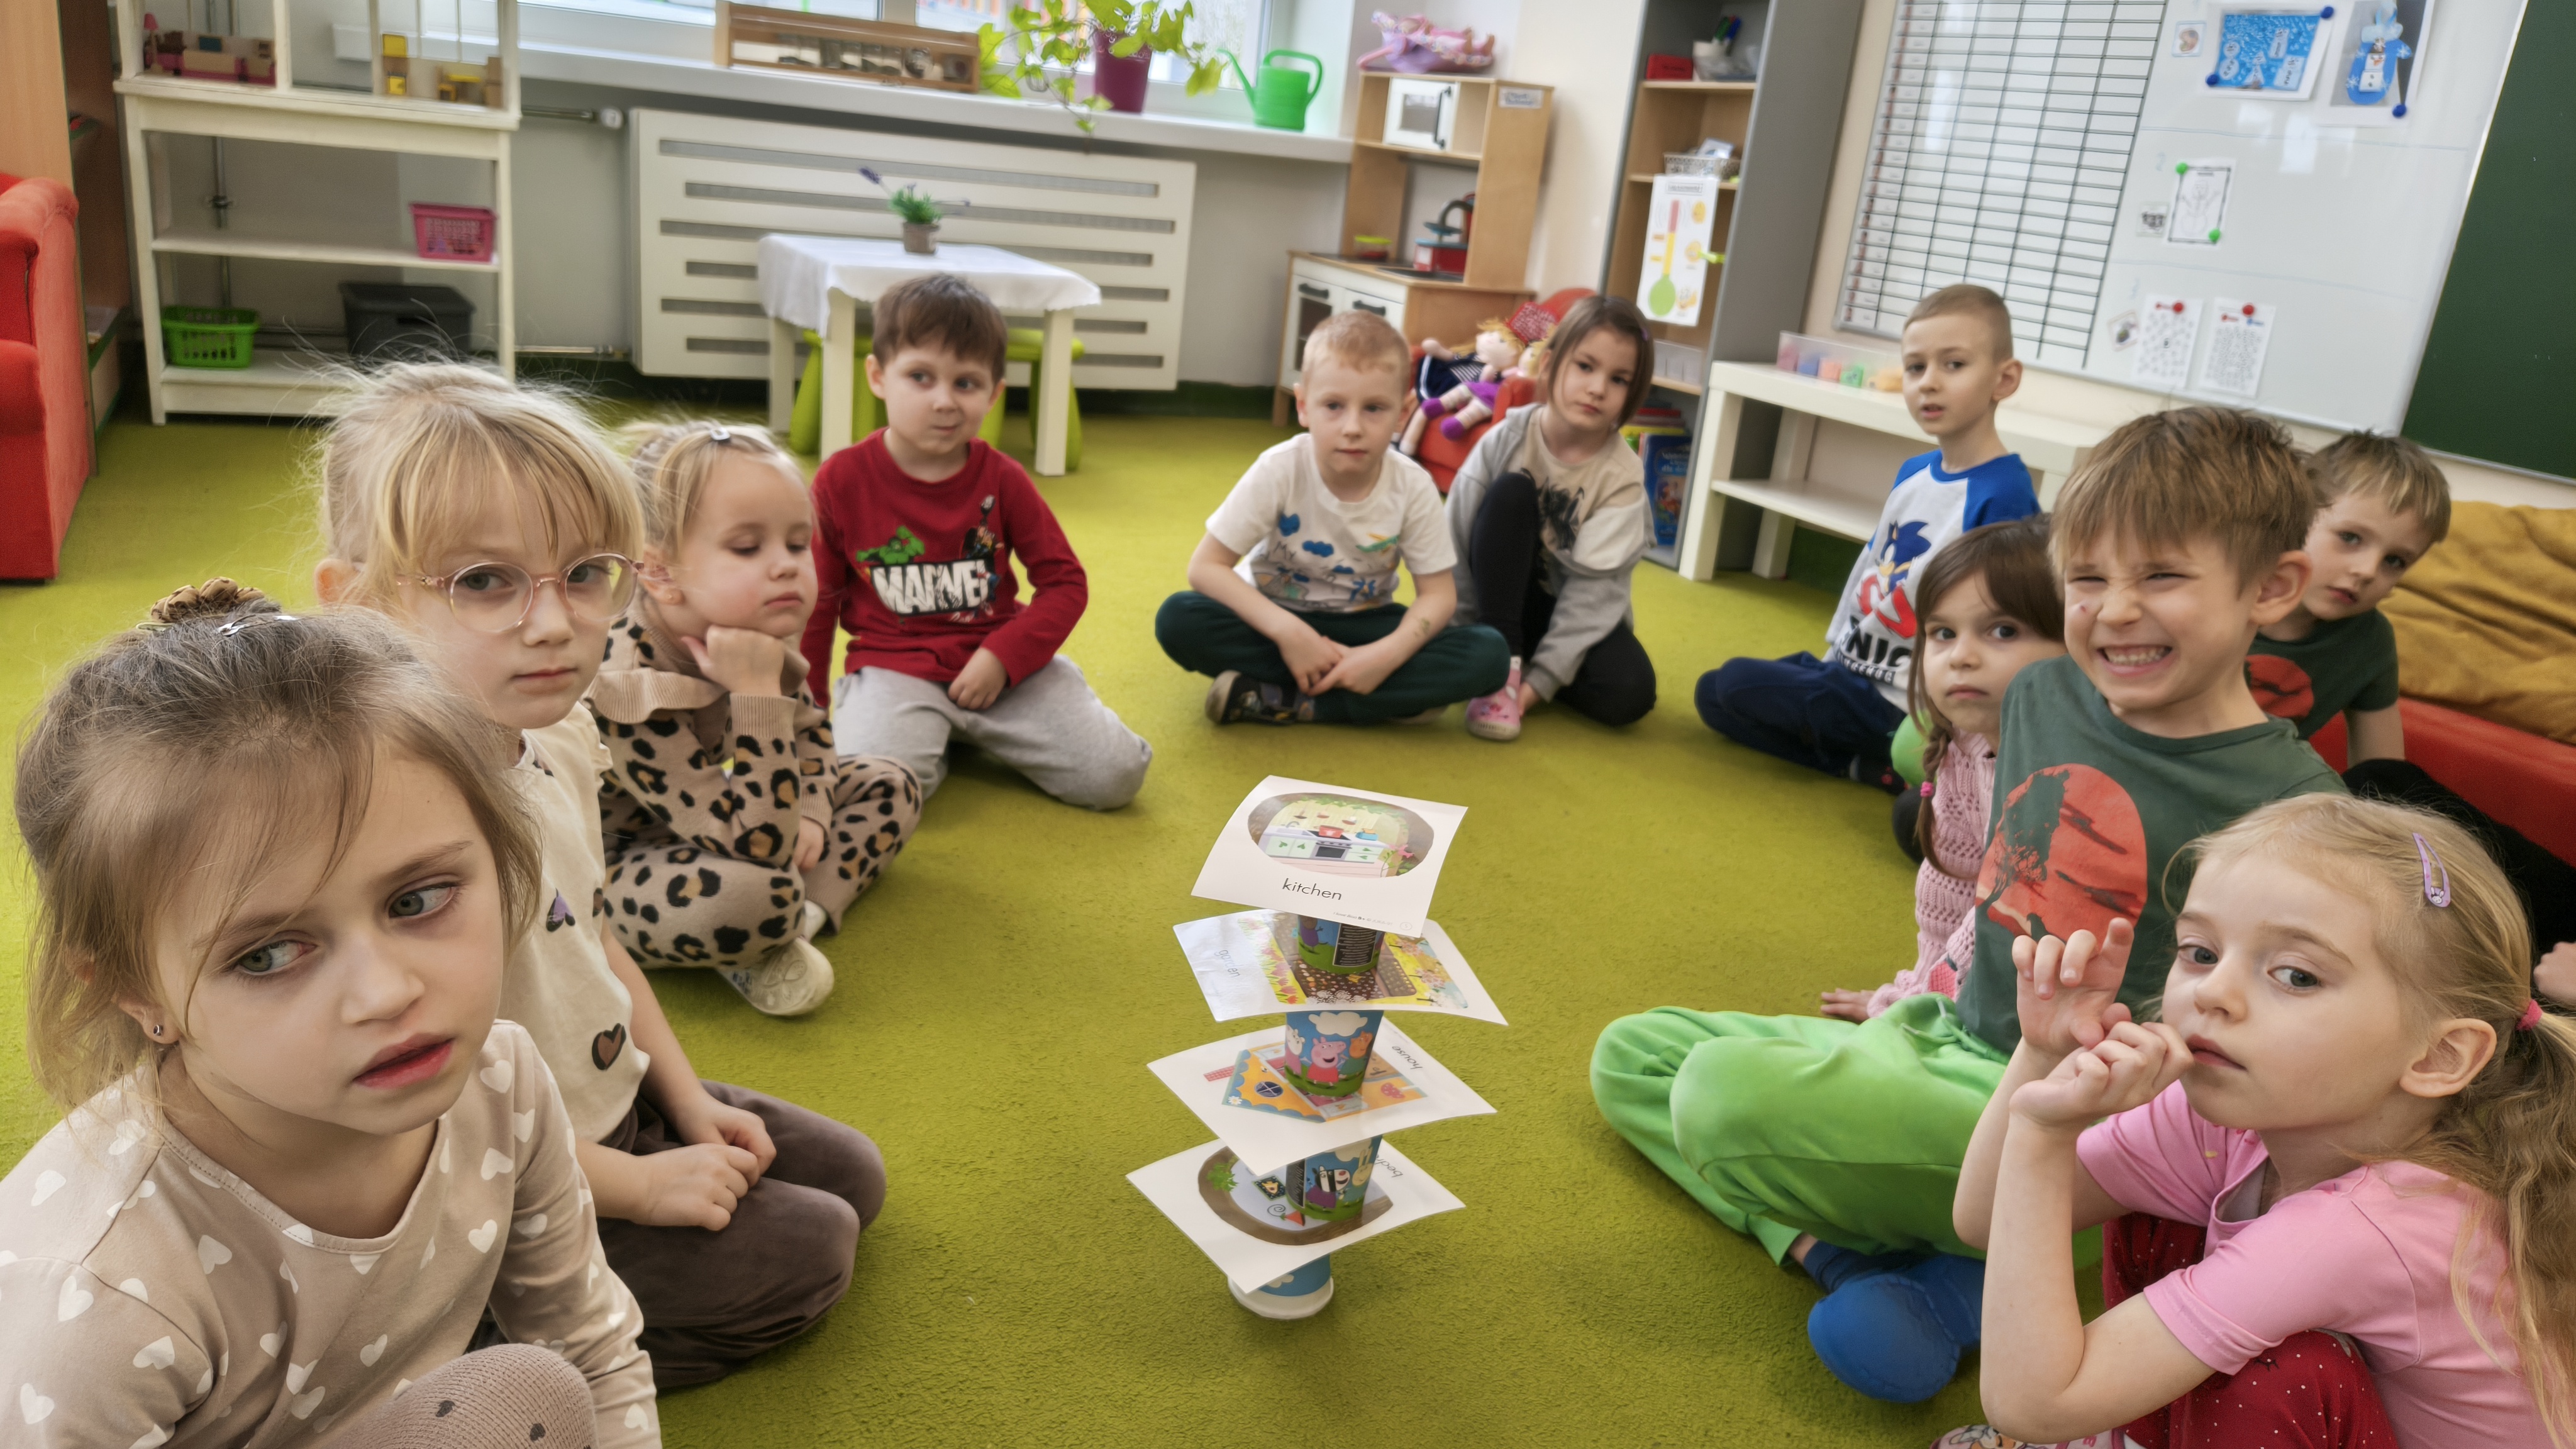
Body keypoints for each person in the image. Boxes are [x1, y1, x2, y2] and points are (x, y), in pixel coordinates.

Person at [1590, 407, 2341, 1404]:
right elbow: (1975, 835)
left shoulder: (2298, 812)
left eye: (2162, 576)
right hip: (1942, 1031)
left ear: (2272, 588)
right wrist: (1916, 989)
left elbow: (2280, 1040)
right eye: (2088, 579)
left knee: (1715, 1097)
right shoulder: (2042, 693)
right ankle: (1871, 1259)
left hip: (2080, 1113)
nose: (2115, 611)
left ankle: (2024, 1239)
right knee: (1633, 1056)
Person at [313, 363, 885, 1386]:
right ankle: (475, 1339)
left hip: (600, 1097)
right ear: (358, 602)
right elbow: (430, 1121)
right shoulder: (391, 840)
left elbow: (599, 938)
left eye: (586, 573)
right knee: (816, 1250)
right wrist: (636, 1187)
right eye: (483, 581)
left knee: (855, 1178)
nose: (554, 623)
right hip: (487, 1181)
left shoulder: (559, 733)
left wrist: (685, 1100)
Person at [1, 582, 657, 1447]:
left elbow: (594, 1348)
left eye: (419, 899)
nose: (386, 994)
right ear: (137, 989)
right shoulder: (100, 1298)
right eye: (267, 955)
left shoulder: (503, 1082)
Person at [1943, 796, 2576, 1449]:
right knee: (2155, 1211)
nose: (2212, 992)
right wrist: (2043, 1054)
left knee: (2284, 1373)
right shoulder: (2236, 1113)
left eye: (2296, 975)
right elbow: (1987, 1217)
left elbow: (2036, 1406)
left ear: (2438, 1056)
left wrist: (2043, 1133)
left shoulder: (2369, 1228)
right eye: (2200, 952)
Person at [594, 420, 922, 1016]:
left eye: (797, 544)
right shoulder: (630, 685)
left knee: (891, 783)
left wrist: (814, 808)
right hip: (619, 859)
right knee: (755, 895)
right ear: (660, 573)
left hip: (731, 814)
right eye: (748, 548)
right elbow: (759, 845)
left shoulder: (750, 616)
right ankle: (771, 924)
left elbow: (811, 734)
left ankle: (793, 930)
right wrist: (756, 692)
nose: (787, 566)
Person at [801, 273, 1151, 808]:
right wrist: (809, 714)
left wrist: (1005, 657)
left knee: (1115, 777)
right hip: (895, 671)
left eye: (966, 383)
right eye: (920, 377)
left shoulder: (1005, 478)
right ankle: (930, 731)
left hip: (1002, 668)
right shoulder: (839, 481)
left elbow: (1065, 583)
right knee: (867, 795)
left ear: (994, 394)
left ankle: (969, 724)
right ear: (878, 376)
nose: (944, 401)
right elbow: (816, 602)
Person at [2251, 429, 2576, 988]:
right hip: (2216, 791)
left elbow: (2383, 781)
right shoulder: (2229, 592)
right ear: (2297, 512)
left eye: (2394, 561)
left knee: (2389, 785)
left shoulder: (2369, 639)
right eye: (2350, 538)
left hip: (2284, 805)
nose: (2367, 570)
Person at [1696, 285, 2040, 791]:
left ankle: (1881, 755)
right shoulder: (1914, 471)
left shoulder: (2004, 495)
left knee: (1734, 684)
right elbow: (1871, 567)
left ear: (2003, 379)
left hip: (1902, 698)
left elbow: (2005, 628)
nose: (1929, 383)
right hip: (1853, 665)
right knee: (1712, 694)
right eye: (1916, 367)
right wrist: (1834, 654)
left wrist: (1946, 715)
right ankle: (1858, 765)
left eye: (1954, 365)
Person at [1154, 309, 1510, 725]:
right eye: (1334, 406)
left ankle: (1289, 699)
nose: (1352, 427)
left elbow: (1438, 596)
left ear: (1402, 413)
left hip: (1366, 625)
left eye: (1374, 408)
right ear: (1304, 406)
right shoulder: (1279, 468)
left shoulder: (1413, 485)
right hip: (1275, 616)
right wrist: (1290, 634)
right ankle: (1379, 699)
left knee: (1490, 654)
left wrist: (1383, 656)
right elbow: (1206, 568)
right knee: (1179, 619)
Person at [1814, 516, 2065, 1024]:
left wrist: (1912, 1007)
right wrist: (1917, 988)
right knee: (1917, 819)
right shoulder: (1965, 743)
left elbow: (1994, 916)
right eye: (1943, 633)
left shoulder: (2062, 775)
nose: (1961, 657)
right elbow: (1948, 887)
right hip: (2001, 967)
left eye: (2003, 631)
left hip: (2064, 1008)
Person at [1442, 294, 1660, 740]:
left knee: (1631, 693)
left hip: (1561, 611)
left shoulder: (1623, 479)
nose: (1597, 388)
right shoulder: (1507, 438)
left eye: (1618, 379)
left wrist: (1535, 688)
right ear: (1550, 365)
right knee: (1511, 492)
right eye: (1585, 366)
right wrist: (1462, 640)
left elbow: (1593, 597)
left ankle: (1521, 671)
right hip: (1493, 601)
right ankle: (1500, 661)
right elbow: (1455, 541)